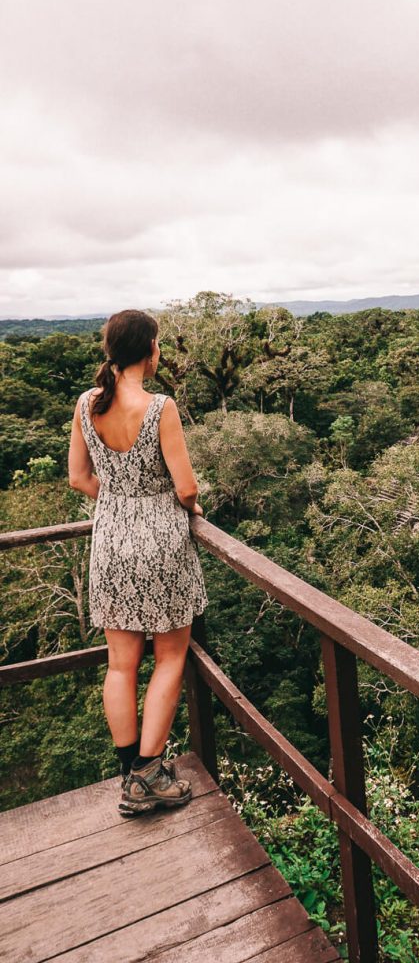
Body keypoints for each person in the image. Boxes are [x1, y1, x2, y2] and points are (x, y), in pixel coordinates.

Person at [68, 308, 209, 816]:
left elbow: (80, 479)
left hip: (111, 539)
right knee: (169, 658)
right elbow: (187, 487)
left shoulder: (87, 404)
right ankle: (150, 776)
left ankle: (129, 772)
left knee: (120, 664)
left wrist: (122, 498)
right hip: (161, 542)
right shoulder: (160, 407)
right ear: (149, 351)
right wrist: (186, 506)